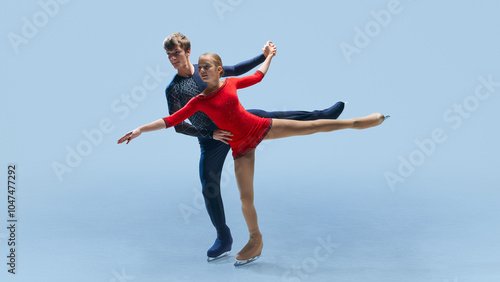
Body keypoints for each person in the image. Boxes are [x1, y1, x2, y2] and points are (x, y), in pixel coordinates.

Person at [118, 47, 387, 266]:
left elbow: (257, 76)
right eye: (200, 67)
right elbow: (171, 121)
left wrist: (267, 56)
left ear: (217, 70)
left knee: (308, 126)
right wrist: (140, 129)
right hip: (235, 146)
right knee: (243, 197)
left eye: (206, 67)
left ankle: (352, 122)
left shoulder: (230, 82)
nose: (201, 71)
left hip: (259, 127)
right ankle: (251, 239)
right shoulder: (194, 100)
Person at [159, 32, 345, 261]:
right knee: (209, 186)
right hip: (210, 140)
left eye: (176, 53)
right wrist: (211, 133)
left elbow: (236, 70)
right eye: (168, 55)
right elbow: (177, 125)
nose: (172, 58)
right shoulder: (173, 89)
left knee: (270, 116)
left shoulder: (205, 68)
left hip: (236, 122)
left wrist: (263, 55)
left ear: (187, 51)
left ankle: (323, 115)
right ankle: (223, 237)